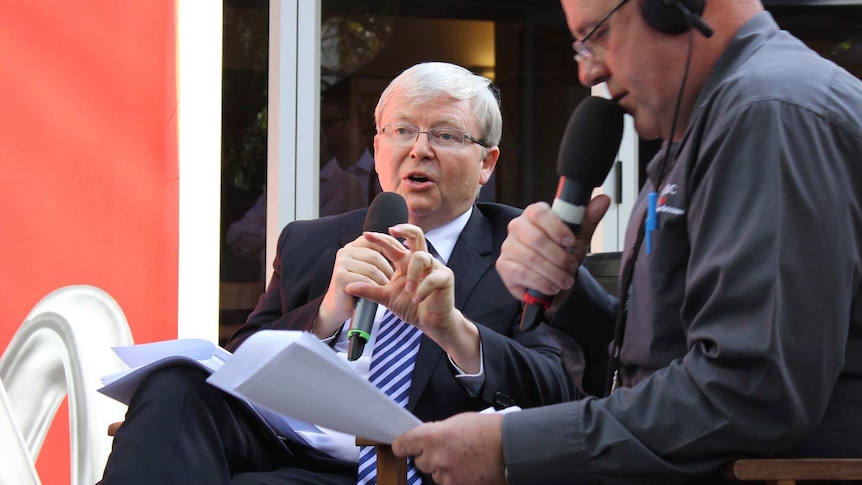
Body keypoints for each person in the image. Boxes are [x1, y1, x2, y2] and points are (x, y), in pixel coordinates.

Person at [391, 1, 862, 484]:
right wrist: (567, 291)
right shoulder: (711, 122)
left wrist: (516, 447)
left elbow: (752, 389)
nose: (586, 70)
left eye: (596, 34)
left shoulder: (770, 115)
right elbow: (665, 359)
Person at [99, 61, 576, 484]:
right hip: (294, 452)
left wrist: (454, 332)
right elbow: (238, 366)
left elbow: (559, 393)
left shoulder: (522, 246)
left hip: (425, 467)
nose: (419, 150)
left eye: (446, 135)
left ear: (486, 163)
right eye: (402, 130)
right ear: (378, 146)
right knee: (177, 383)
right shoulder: (311, 243)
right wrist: (325, 315)